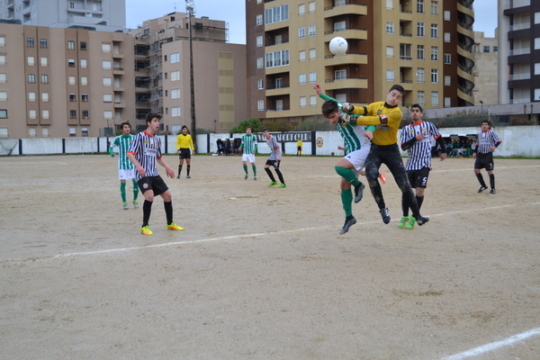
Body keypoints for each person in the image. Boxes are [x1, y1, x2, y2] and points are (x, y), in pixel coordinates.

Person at [340, 84, 429, 226]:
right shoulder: (376, 105)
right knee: (370, 175)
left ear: (400, 100)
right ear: (388, 94)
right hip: (375, 149)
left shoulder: (397, 113)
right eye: (393, 95)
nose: (395, 98)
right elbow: (363, 110)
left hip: (391, 151)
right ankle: (383, 209)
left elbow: (375, 120)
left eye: (398, 97)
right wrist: (351, 109)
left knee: (404, 185)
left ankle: (417, 215)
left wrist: (352, 119)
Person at [315, 84, 375, 234]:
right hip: (353, 151)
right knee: (343, 184)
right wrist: (321, 95)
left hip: (364, 148)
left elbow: (372, 120)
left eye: (333, 116)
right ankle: (349, 217)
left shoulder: (349, 116)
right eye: (329, 118)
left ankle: (359, 186)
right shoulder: (337, 107)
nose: (332, 120)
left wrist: (370, 131)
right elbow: (333, 100)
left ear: (339, 112)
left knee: (339, 168)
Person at [127, 113, 183, 235]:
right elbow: (130, 153)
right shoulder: (140, 137)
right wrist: (138, 166)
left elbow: (158, 157)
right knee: (150, 196)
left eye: (158, 121)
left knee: (168, 196)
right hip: (142, 174)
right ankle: (144, 226)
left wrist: (167, 166)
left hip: (154, 173)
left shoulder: (157, 139)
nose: (157, 123)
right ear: (148, 123)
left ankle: (170, 223)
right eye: (155, 121)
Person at [399, 104, 447, 229]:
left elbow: (438, 137)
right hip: (410, 164)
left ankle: (414, 218)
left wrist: (443, 150)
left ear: (421, 114)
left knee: (420, 191)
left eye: (417, 111)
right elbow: (403, 147)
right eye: (412, 111)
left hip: (424, 163)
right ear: (410, 114)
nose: (415, 113)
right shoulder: (405, 129)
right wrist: (415, 138)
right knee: (407, 192)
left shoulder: (429, 126)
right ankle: (405, 216)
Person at [108, 122, 139, 210]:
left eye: (128, 127)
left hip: (133, 164)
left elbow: (141, 146)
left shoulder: (134, 137)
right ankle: (124, 202)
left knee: (136, 182)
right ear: (122, 129)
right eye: (125, 127)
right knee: (123, 183)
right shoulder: (118, 138)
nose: (127, 129)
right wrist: (112, 153)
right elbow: (111, 147)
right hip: (122, 164)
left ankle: (135, 200)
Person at [473, 120, 502, 194]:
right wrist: (474, 152)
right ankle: (483, 186)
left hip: (488, 154)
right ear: (481, 126)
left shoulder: (491, 133)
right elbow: (477, 144)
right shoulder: (479, 133)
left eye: (486, 124)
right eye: (483, 124)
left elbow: (499, 141)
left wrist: (494, 146)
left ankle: (493, 188)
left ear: (488, 126)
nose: (484, 126)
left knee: (489, 172)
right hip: (480, 154)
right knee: (476, 170)